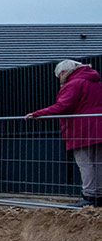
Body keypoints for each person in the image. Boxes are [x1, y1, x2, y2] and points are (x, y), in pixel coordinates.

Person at [27, 59, 102, 207]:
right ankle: (99, 195)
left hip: (82, 130)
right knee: (98, 162)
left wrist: (38, 114)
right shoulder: (95, 82)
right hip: (98, 127)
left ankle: (89, 196)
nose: (60, 80)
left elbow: (63, 106)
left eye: (59, 76)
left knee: (85, 163)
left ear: (63, 72)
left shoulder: (74, 84)